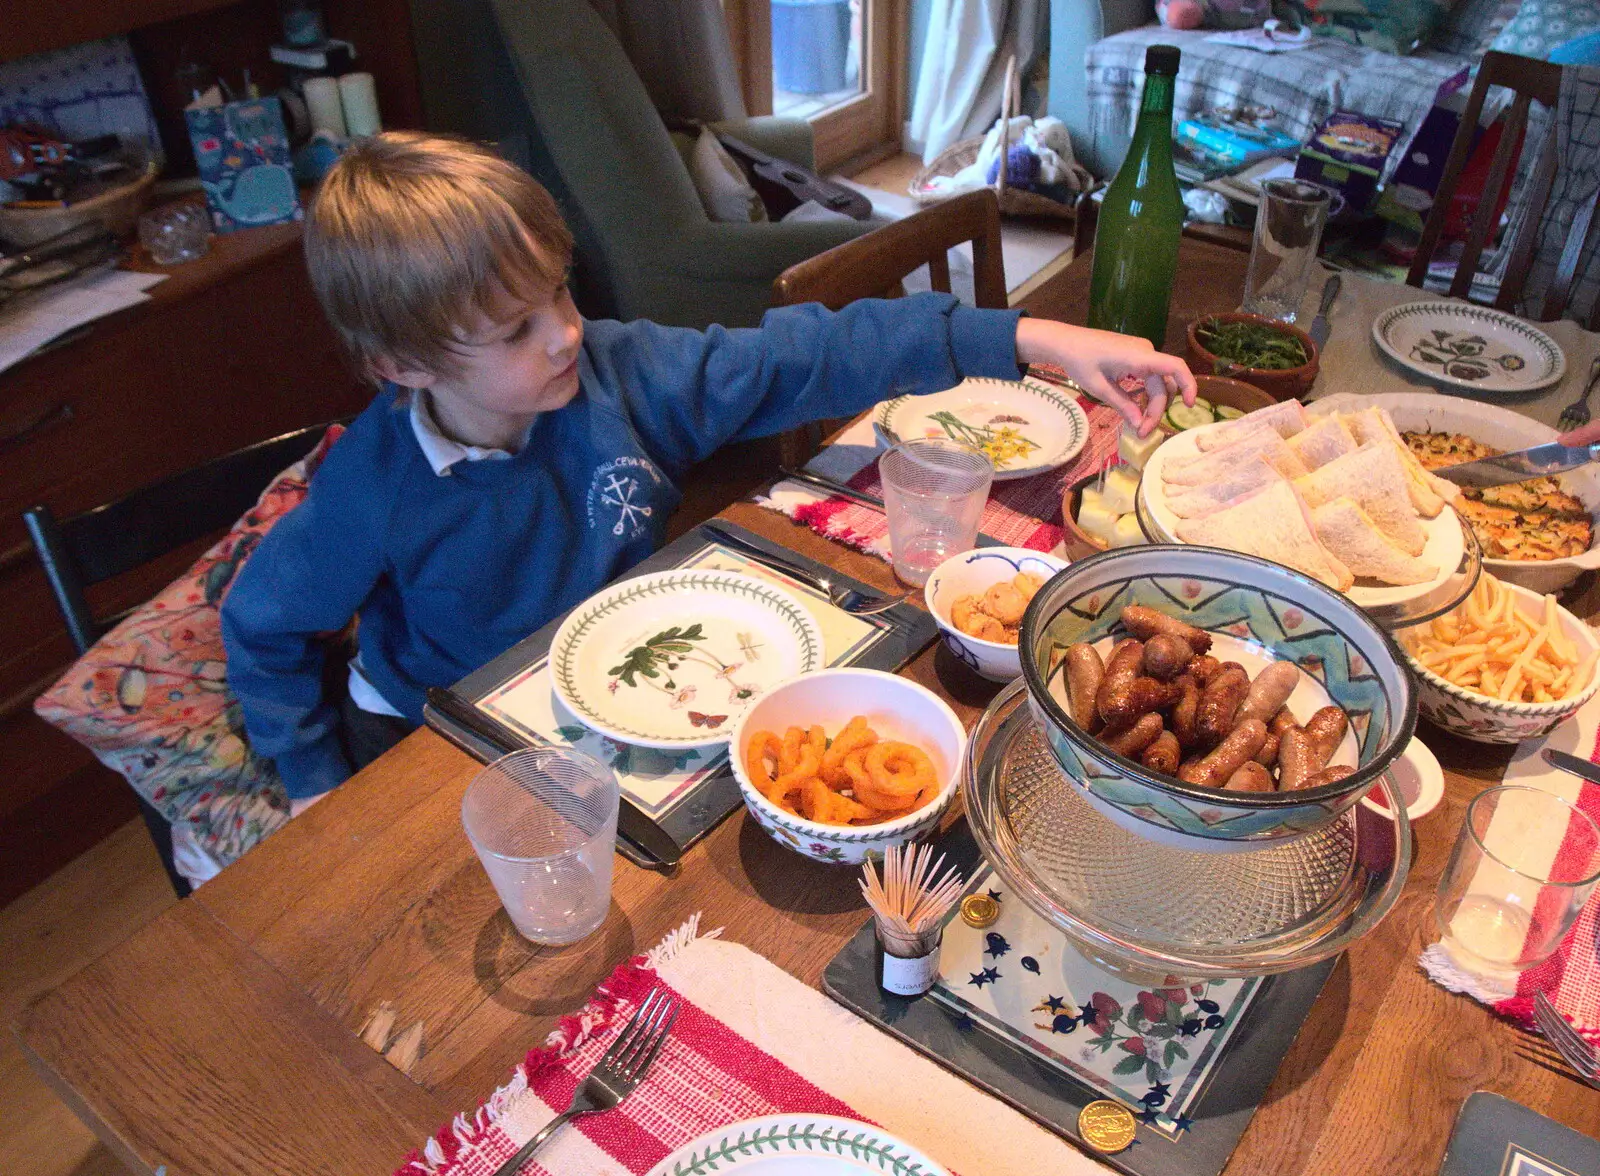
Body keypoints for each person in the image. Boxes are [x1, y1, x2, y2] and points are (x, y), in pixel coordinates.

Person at [221, 131, 1196, 813]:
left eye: (558, 289)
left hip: (621, 689)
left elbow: (807, 353)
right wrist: (310, 780)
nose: (566, 330)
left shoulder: (619, 371)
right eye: (516, 328)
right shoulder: (372, 487)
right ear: (404, 366)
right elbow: (263, 626)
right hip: (440, 731)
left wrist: (1029, 334)